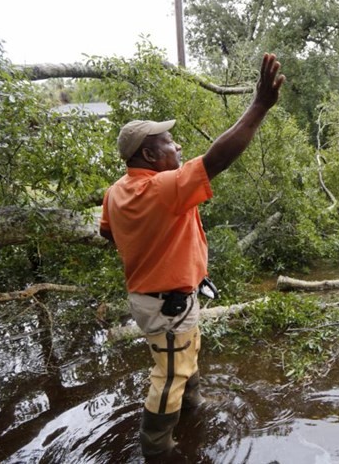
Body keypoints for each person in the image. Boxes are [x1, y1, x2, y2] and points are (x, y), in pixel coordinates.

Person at [99, 53, 285, 458]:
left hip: (165, 299)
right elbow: (218, 157)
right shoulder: (161, 188)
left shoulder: (116, 191)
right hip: (166, 305)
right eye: (168, 140)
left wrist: (155, 250)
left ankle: (193, 407)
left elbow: (110, 235)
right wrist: (259, 105)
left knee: (186, 357)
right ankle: (158, 449)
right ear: (149, 156)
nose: (177, 143)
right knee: (168, 375)